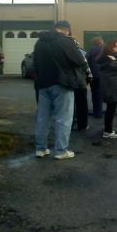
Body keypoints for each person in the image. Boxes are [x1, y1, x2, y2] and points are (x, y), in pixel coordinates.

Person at [33, 20, 86, 160]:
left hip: (43, 84)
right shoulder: (65, 41)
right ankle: (61, 151)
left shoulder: (39, 42)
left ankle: (40, 149)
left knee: (42, 118)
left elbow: (35, 64)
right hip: (62, 83)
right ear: (67, 30)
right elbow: (80, 61)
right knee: (63, 118)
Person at [98, 40, 117, 139]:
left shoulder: (103, 58)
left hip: (108, 86)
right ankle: (108, 131)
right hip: (112, 87)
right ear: (110, 48)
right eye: (116, 47)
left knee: (110, 109)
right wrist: (116, 57)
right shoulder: (109, 58)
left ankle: (108, 129)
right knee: (111, 109)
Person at [72, 39, 92, 131]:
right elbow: (87, 70)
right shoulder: (82, 53)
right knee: (82, 105)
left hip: (69, 83)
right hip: (80, 83)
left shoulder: (62, 53)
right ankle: (82, 125)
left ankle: (70, 124)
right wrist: (87, 81)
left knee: (69, 106)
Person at [86, 37, 104, 118]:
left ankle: (96, 111)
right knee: (99, 93)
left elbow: (85, 59)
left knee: (94, 93)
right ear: (100, 42)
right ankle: (99, 112)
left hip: (93, 74)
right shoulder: (104, 50)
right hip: (102, 74)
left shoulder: (91, 49)